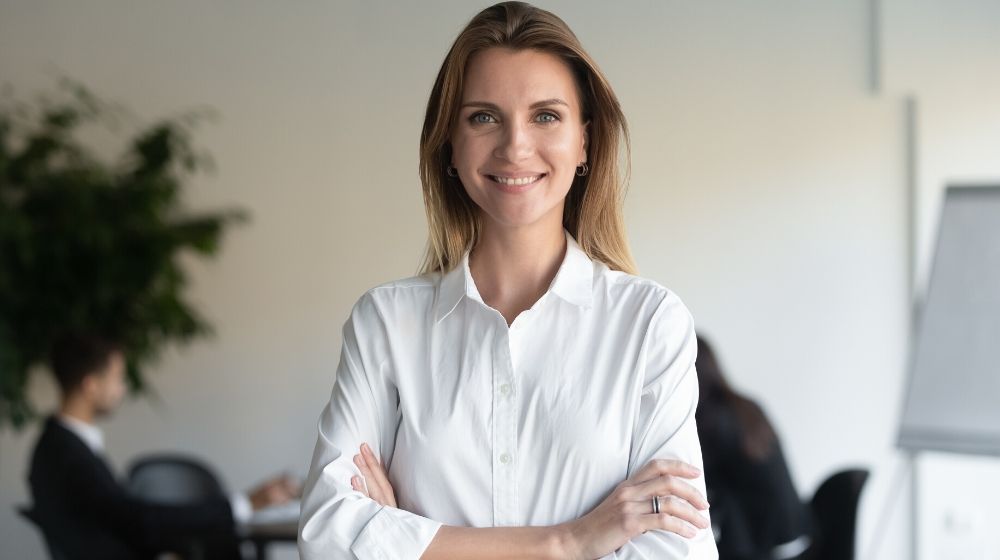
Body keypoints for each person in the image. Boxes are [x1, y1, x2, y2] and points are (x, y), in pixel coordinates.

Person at [299, 3, 717, 559]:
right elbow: (327, 538)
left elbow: (675, 553)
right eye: (483, 117)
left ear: (585, 142)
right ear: (450, 142)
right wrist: (571, 542)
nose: (515, 146)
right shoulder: (385, 323)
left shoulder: (649, 325)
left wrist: (404, 537)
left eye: (546, 115)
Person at [27, 332, 299, 560]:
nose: (122, 389)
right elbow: (138, 522)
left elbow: (121, 522)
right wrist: (243, 504)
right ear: (91, 386)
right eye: (117, 378)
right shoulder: (68, 455)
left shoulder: (58, 446)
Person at [694, 335, 812, 560]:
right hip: (795, 534)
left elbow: (694, 480)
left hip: (762, 544)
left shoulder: (710, 419)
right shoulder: (746, 406)